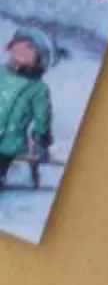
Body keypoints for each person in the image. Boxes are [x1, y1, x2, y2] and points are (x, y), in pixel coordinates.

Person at [0, 33, 52, 186]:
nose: (20, 50)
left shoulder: (38, 88)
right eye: (19, 45)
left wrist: (41, 137)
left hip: (8, 142)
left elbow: (41, 116)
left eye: (29, 47)